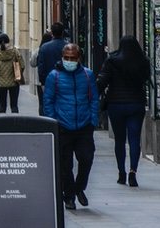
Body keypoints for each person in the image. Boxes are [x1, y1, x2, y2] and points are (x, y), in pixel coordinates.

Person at [44, 43, 100, 210]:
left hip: (84, 126)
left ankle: (79, 188)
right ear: (62, 57)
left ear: (78, 58)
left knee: (87, 159)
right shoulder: (53, 76)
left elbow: (94, 99)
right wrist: (53, 121)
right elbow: (48, 101)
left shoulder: (87, 75)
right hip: (63, 126)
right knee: (65, 165)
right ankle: (69, 197)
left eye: (73, 58)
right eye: (67, 58)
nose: (69, 61)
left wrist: (93, 121)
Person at [97, 35, 151, 187]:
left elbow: (103, 81)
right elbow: (146, 78)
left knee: (119, 140)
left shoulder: (112, 60)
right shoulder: (143, 61)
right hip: (136, 104)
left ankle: (121, 173)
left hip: (116, 104)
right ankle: (133, 172)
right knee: (134, 139)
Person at [36, 22, 68, 116]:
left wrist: (42, 82)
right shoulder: (68, 47)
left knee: (48, 103)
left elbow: (41, 66)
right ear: (62, 32)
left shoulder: (44, 47)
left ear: (52, 33)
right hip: (65, 80)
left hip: (48, 81)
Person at [0, 33, 24, 113]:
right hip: (14, 81)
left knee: (2, 105)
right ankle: (15, 122)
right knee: (14, 105)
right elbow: (22, 64)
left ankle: (3, 123)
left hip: (1, 82)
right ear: (8, 41)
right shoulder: (15, 51)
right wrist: (18, 72)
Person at [30, 29, 53, 115]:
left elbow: (32, 63)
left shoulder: (38, 50)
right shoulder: (51, 49)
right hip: (52, 79)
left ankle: (42, 118)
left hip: (40, 81)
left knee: (42, 102)